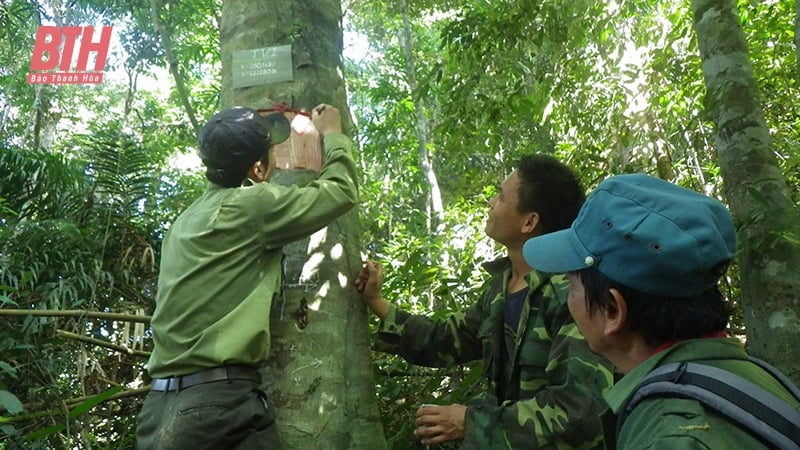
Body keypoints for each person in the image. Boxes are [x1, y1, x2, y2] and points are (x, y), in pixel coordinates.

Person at [136, 104, 358, 450]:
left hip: (159, 413)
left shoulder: (184, 221)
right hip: (218, 408)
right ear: (258, 168)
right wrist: (332, 134)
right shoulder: (254, 204)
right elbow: (340, 192)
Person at [522, 173, 800, 449]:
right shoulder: (758, 379)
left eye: (572, 284)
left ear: (612, 310)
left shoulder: (667, 436)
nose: (569, 299)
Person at [356, 154, 615, 449]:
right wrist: (376, 302)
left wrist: (471, 422)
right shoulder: (500, 290)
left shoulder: (571, 294)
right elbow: (444, 339)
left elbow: (581, 412)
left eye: (501, 197)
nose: (491, 203)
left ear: (529, 222)